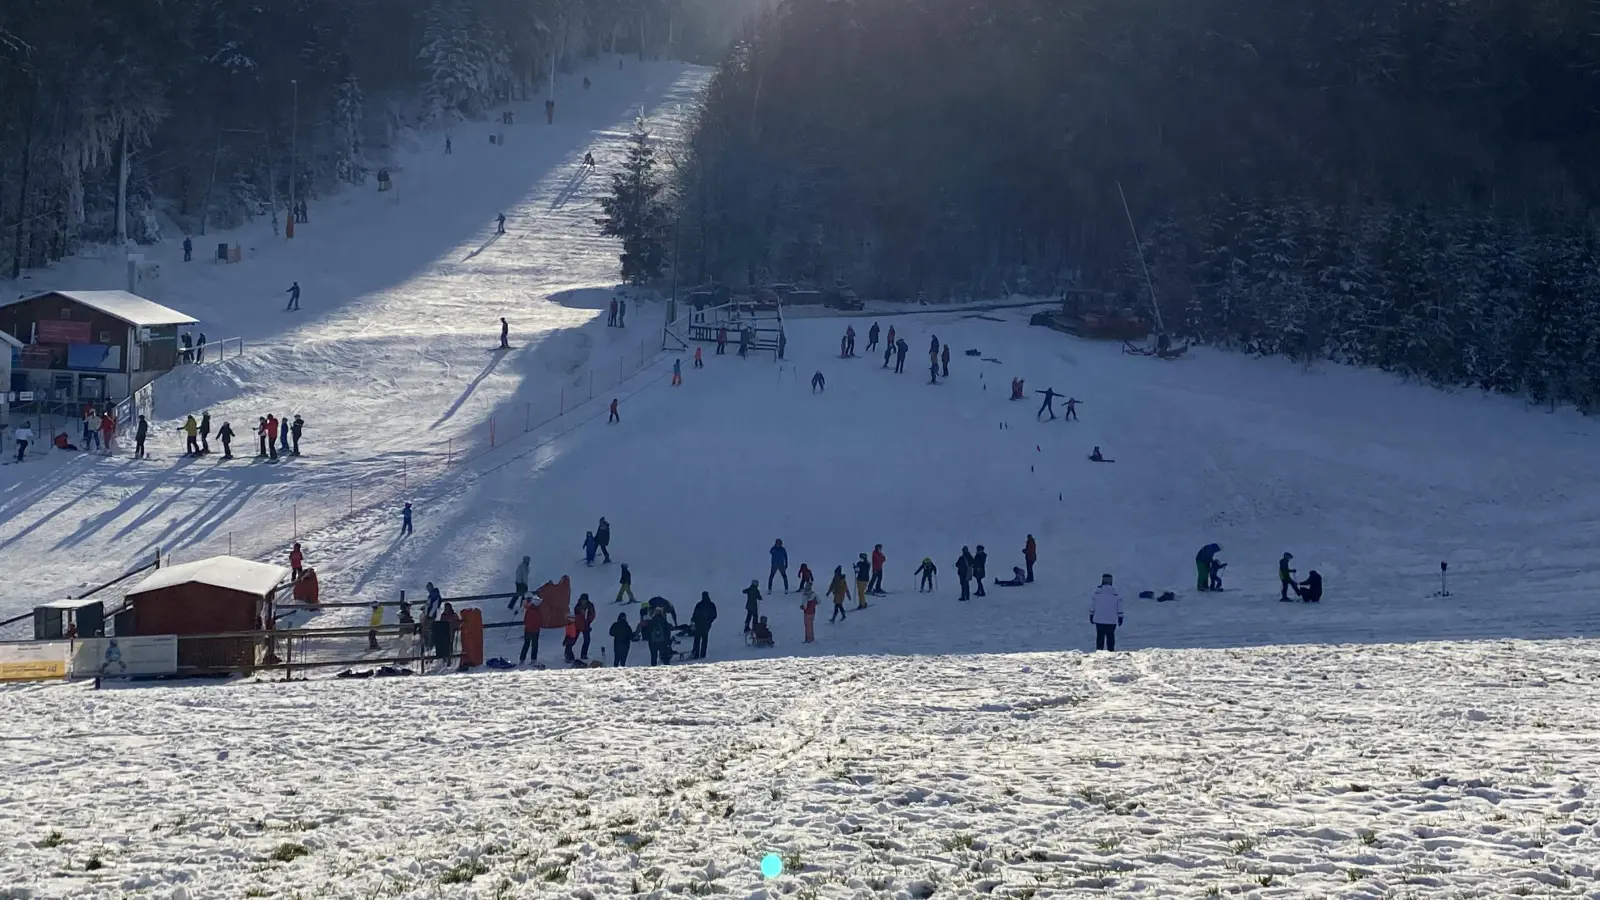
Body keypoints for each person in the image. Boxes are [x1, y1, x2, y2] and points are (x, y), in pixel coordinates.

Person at [1090, 574, 1124, 651]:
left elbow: (1092, 605)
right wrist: (1120, 617)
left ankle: (1099, 651)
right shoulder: (1116, 594)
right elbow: (1120, 607)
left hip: (1099, 619)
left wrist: (1091, 615)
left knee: (1100, 636)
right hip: (1112, 620)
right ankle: (1110, 651)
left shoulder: (1097, 593)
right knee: (1110, 636)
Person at [691, 591, 717, 660]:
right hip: (706, 626)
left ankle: (696, 654)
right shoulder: (711, 605)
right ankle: (702, 654)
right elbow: (714, 615)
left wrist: (693, 621)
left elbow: (694, 614)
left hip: (698, 625)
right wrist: (709, 621)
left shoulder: (699, 604)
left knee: (697, 640)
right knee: (704, 640)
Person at [519, 593, 543, 664]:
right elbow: (540, 621)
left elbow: (525, 620)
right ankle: (533, 659)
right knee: (534, 645)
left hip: (527, 630)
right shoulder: (538, 611)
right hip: (535, 631)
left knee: (526, 644)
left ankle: (522, 659)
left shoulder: (529, 610)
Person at [572, 593, 596, 660]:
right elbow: (576, 614)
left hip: (586, 625)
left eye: (584, 600)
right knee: (573, 639)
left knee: (587, 640)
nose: (583, 601)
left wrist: (588, 620)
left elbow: (592, 614)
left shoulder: (590, 605)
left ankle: (584, 654)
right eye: (582, 600)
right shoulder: (578, 606)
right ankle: (568, 653)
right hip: (578, 625)